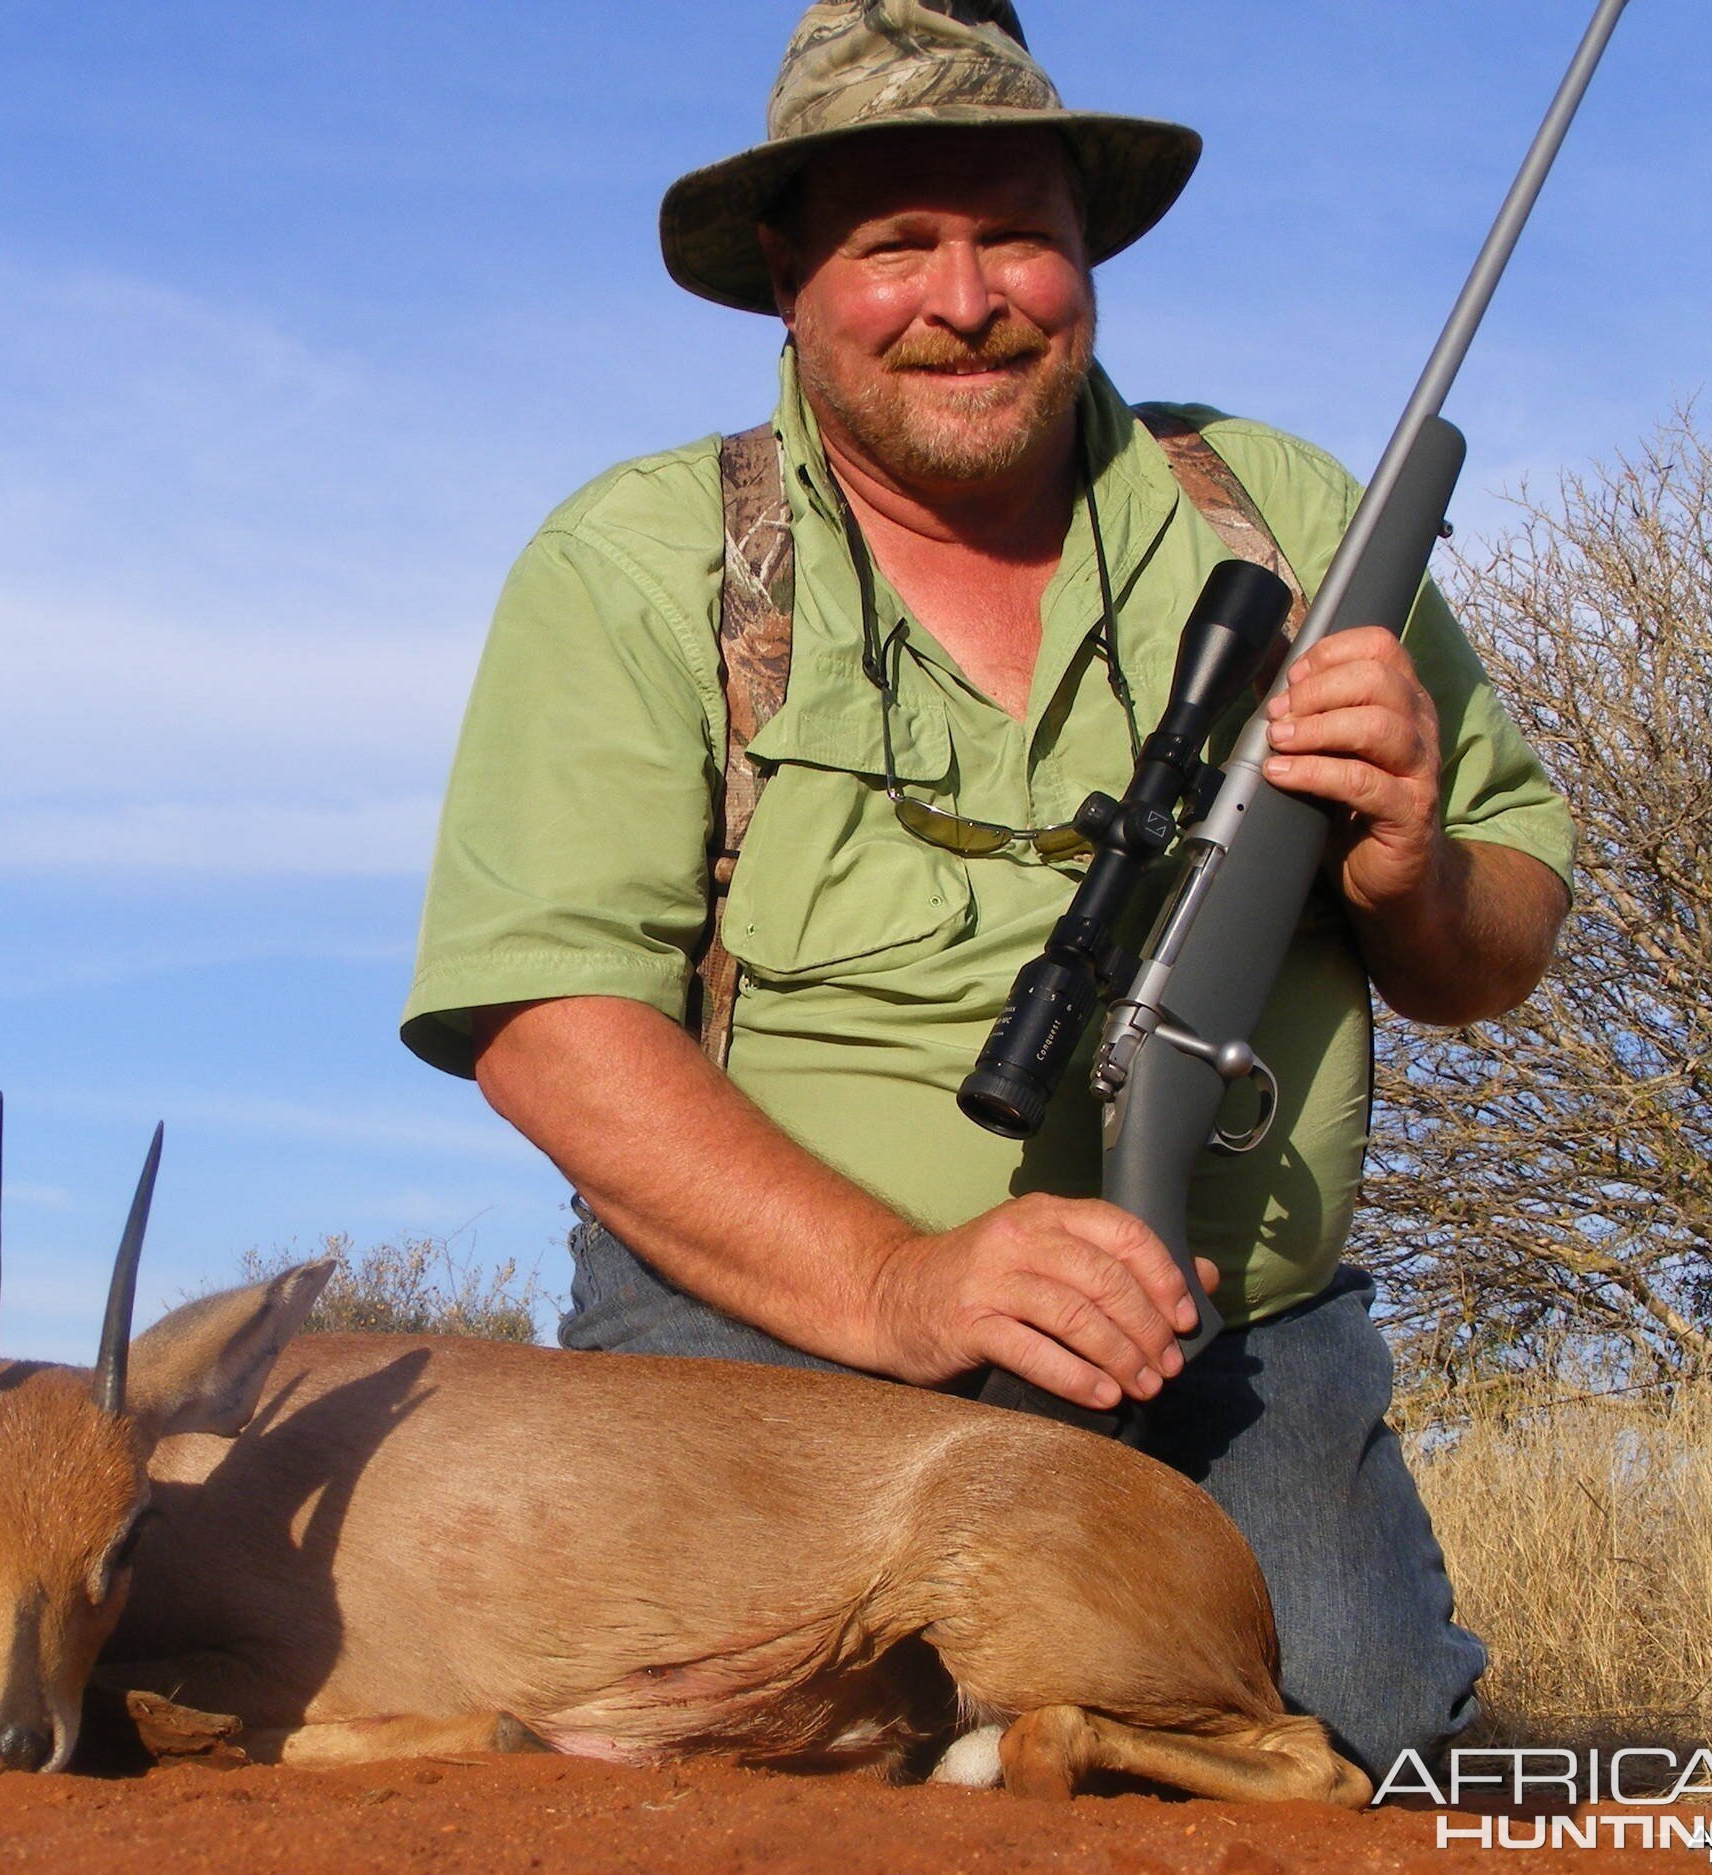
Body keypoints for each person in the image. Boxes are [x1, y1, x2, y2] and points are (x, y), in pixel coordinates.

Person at [401, 0, 1574, 1778]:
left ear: (1087, 252)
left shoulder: (1290, 517)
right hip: (761, 1324)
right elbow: (546, 1028)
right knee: (732, 1752)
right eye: (894, 245)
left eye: (1015, 230)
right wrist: (901, 1285)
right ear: (788, 283)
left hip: (1222, 1322)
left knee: (1357, 1749)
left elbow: (1501, 942)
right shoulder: (641, 559)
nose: (967, 297)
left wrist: (1413, 871)